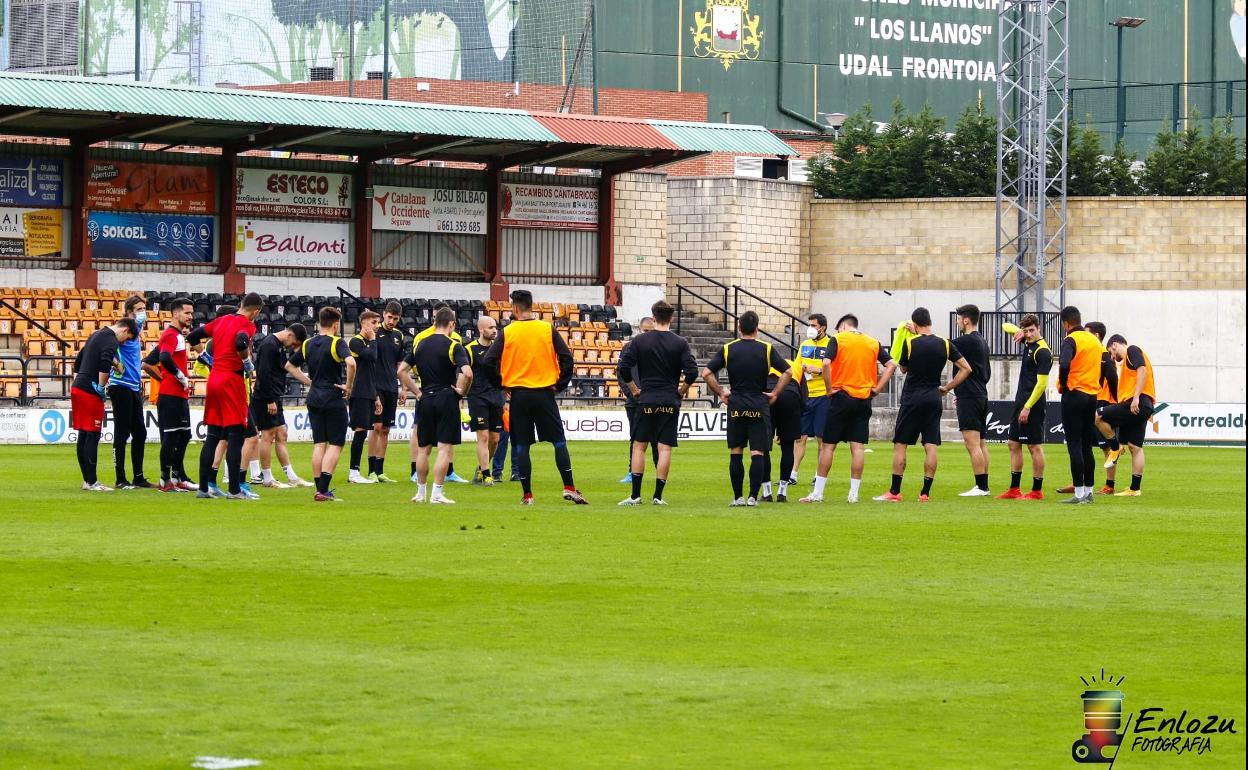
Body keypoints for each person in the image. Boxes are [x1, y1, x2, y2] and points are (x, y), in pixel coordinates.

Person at [480, 289, 586, 505]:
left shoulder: (508, 332)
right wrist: (560, 385)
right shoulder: (547, 329)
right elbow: (567, 358)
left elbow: (488, 361)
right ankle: (569, 487)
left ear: (516, 308)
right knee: (558, 442)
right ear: (531, 306)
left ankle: (527, 495)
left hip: (519, 395)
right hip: (545, 393)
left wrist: (501, 384)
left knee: (521, 446)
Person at [874, 307, 971, 502]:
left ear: (915, 324)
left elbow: (902, 369)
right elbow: (966, 368)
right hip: (933, 397)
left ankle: (894, 492)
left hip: (912, 398)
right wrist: (946, 388)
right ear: (929, 322)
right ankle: (925, 493)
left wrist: (910, 339)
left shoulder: (910, 342)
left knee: (901, 444)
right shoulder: (944, 343)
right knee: (930, 445)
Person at [800, 313, 897, 504]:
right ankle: (853, 494)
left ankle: (818, 493)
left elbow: (826, 363)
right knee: (858, 447)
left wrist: (829, 389)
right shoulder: (872, 342)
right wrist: (877, 388)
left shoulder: (838, 339)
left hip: (841, 396)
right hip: (863, 399)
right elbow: (892, 364)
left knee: (828, 446)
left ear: (843, 326)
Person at [701, 311, 793, 507]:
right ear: (757, 329)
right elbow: (788, 371)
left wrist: (720, 392)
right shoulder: (767, 349)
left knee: (736, 452)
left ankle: (738, 497)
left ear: (739, 328)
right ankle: (753, 497)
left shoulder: (728, 348)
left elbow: (707, 372)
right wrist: (775, 392)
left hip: (736, 403)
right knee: (757, 453)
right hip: (759, 402)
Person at [616, 300, 698, 506]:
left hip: (647, 398)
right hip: (669, 399)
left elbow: (624, 368)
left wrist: (634, 390)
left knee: (639, 447)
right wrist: (680, 391)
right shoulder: (680, 343)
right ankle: (658, 496)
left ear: (653, 318)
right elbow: (692, 372)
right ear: (671, 319)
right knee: (664, 449)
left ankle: (635, 495)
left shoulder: (640, 341)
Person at [187, 294, 262, 499]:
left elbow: (192, 337)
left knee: (212, 436)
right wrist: (246, 361)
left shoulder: (221, 320)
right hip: (232, 381)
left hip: (215, 379)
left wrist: (205, 356)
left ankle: (203, 488)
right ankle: (235, 490)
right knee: (235, 436)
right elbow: (240, 342)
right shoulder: (247, 324)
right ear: (255, 311)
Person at [405, 306, 472, 504]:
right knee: (443, 449)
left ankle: (420, 493)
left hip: (425, 398)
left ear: (435, 322)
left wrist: (416, 392)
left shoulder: (420, 344)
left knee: (423, 449)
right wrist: (462, 392)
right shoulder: (453, 345)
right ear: (451, 324)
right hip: (445, 397)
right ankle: (437, 494)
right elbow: (467, 373)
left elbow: (401, 370)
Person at [289, 306, 356, 502]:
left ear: (319, 323)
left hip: (314, 396)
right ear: (336, 325)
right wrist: (348, 386)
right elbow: (351, 363)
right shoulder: (337, 342)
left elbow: (289, 365)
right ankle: (324, 490)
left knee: (319, 443)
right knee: (336, 444)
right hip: (333, 396)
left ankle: (320, 489)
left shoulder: (308, 343)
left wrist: (308, 381)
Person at [71, 318, 139, 491]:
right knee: (92, 435)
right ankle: (93, 482)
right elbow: (104, 362)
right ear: (124, 330)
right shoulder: (111, 340)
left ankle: (87, 481)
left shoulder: (96, 334)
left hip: (78, 387)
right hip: (90, 391)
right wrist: (101, 387)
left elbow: (79, 360)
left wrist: (116, 364)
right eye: (128, 338)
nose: (125, 342)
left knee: (83, 435)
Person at [1056, 305, 1115, 504]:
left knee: (1074, 443)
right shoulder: (1095, 341)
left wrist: (1064, 384)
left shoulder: (1070, 339)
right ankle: (1089, 492)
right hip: (1091, 396)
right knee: (1086, 445)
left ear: (1066, 323)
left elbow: (1064, 364)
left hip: (1074, 394)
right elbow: (1108, 369)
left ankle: (1079, 493)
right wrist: (1098, 385)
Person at [996, 314, 1052, 500]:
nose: (1028, 334)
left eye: (1031, 330)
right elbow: (1005, 325)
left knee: (1034, 446)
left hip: (1032, 404)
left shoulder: (1042, 351)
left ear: (1039, 329)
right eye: (1026, 331)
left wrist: (1027, 407)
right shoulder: (1029, 344)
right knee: (1013, 444)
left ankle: (1037, 490)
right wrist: (1019, 331)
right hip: (1020, 402)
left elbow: (1042, 384)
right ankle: (1014, 489)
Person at [249, 324, 310, 487]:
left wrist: (311, 382)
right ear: (289, 335)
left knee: (282, 434)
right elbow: (263, 373)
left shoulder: (279, 346)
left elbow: (289, 368)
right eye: (294, 344)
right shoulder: (269, 345)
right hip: (265, 397)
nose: (292, 347)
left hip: (275, 395)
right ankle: (267, 478)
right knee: (267, 435)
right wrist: (270, 400)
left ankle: (291, 476)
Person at [145, 297, 194, 492]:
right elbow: (164, 357)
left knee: (184, 435)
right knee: (172, 437)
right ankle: (165, 480)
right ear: (175, 314)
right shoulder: (171, 335)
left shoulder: (177, 335)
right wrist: (179, 375)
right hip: (171, 395)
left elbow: (148, 362)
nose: (191, 316)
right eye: (187, 313)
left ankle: (175, 478)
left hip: (178, 394)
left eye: (191, 313)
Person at [1098, 334, 1155, 497]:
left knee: (1097, 416)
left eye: (1110, 352)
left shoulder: (1132, 350)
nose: (1111, 356)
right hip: (1144, 405)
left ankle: (1115, 448)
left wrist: (1136, 397)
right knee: (1135, 447)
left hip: (1136, 402)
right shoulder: (1127, 362)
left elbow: (1142, 370)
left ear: (1114, 345)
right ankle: (1134, 489)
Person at [107, 295, 151, 489]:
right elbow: (108, 347)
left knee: (140, 432)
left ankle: (138, 477)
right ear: (128, 313)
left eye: (144, 309)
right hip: (121, 385)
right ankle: (120, 478)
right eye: (139, 310)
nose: (143, 313)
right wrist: (116, 364)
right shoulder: (121, 332)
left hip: (133, 386)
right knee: (122, 432)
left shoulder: (137, 330)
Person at [950, 304, 992, 497]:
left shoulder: (965, 341)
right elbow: (987, 373)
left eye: (959, 319)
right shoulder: (982, 341)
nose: (958, 322)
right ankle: (984, 484)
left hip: (970, 396)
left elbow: (944, 346)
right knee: (981, 443)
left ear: (966, 320)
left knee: (971, 443)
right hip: (981, 394)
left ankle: (981, 487)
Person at [465, 315, 506, 486]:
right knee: (482, 436)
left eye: (495, 327)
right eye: (490, 327)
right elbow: (465, 373)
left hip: (496, 397)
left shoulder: (500, 349)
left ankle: (482, 468)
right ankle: (487, 475)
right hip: (478, 397)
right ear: (481, 330)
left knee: (495, 439)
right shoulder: (470, 349)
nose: (494, 330)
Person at [791, 313, 831, 486]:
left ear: (823, 327)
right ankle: (793, 473)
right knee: (800, 437)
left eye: (814, 325)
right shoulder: (805, 345)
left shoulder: (831, 344)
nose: (811, 328)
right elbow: (796, 366)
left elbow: (834, 369)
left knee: (821, 438)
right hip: (806, 395)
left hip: (823, 395)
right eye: (810, 325)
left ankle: (818, 474)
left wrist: (816, 369)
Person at [368, 301, 406, 482]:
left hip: (392, 386)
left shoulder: (399, 336)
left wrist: (404, 388)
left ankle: (380, 470)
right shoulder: (375, 333)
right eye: (389, 317)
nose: (392, 321)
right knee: (375, 427)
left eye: (395, 319)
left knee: (385, 429)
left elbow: (400, 364)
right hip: (376, 385)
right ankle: (370, 471)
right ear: (384, 315)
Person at [618, 316, 659, 484]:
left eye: (651, 331)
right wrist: (631, 393)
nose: (648, 334)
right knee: (635, 438)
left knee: (657, 439)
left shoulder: (658, 348)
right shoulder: (628, 348)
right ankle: (631, 472)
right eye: (646, 331)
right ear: (640, 330)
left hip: (654, 400)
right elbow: (621, 373)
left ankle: (660, 472)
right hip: (634, 402)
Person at [1084, 321, 1122, 495]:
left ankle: (1110, 485)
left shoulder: (1104, 355)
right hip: (1092, 400)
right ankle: (1080, 481)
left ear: (1097, 335)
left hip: (1104, 403)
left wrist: (1116, 400)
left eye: (1087, 332)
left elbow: (1112, 379)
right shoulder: (1094, 353)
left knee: (1106, 447)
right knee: (1084, 445)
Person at [760, 355, 804, 503]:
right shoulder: (797, 367)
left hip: (769, 394)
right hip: (791, 397)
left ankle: (766, 492)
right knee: (787, 447)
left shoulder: (766, 363)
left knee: (763, 447)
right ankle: (782, 492)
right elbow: (804, 396)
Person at [347, 310, 382, 484]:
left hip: (368, 393)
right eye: (374, 322)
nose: (377, 326)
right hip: (359, 393)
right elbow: (371, 357)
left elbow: (372, 372)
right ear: (364, 324)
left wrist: (376, 396)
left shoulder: (369, 343)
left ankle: (355, 471)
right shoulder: (355, 342)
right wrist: (374, 341)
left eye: (377, 323)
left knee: (363, 432)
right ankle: (353, 472)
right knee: (360, 432)